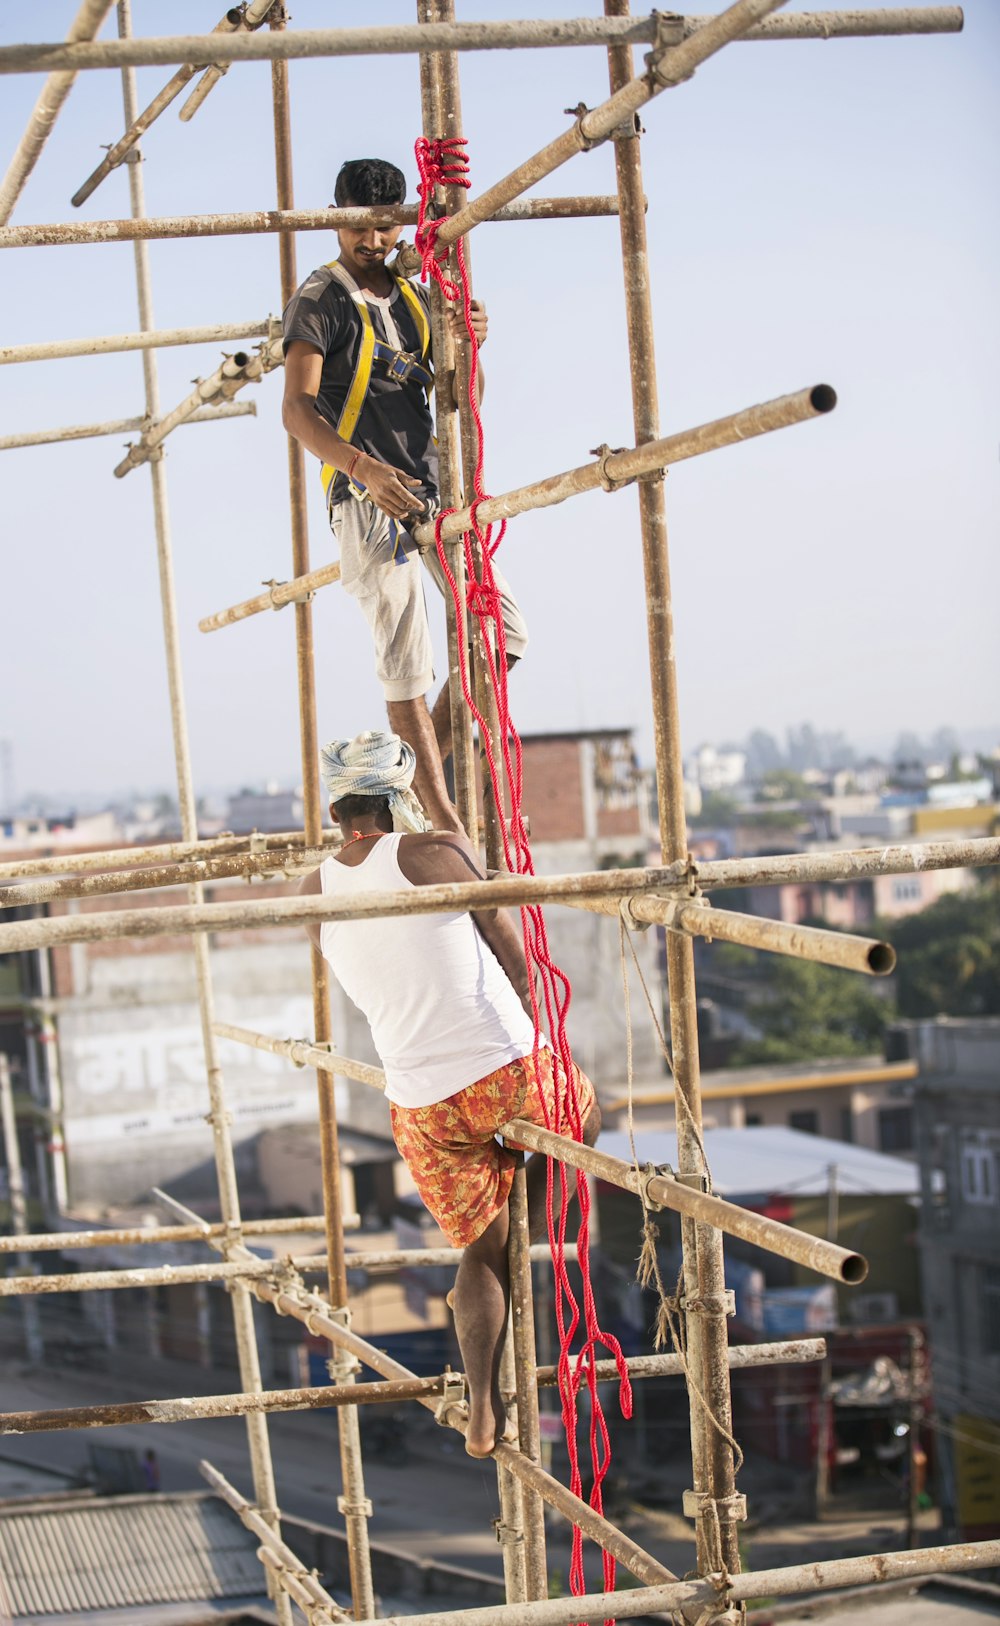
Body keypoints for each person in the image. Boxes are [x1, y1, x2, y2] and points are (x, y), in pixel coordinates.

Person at [300, 730, 600, 1458]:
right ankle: (537, 1209)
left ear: (337, 806)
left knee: (480, 1254)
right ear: (397, 793)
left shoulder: (312, 889)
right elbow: (515, 953)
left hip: (420, 1106)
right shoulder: (435, 853)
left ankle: (485, 1408)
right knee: (586, 1109)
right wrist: (543, 1044)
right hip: (503, 1072)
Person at [282, 158, 529, 835]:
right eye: (360, 230)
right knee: (406, 660)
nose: (374, 244)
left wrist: (471, 350)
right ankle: (443, 816)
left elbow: (458, 404)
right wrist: (364, 469)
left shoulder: (418, 298)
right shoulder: (318, 301)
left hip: (431, 487)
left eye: (387, 230)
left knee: (503, 635)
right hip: (366, 496)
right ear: (336, 218)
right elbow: (297, 413)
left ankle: (405, 781)